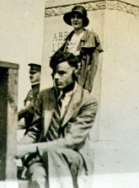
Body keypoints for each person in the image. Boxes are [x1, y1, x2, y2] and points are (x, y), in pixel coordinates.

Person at [17, 52, 98, 188]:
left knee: (53, 152)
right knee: (37, 175)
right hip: (42, 156)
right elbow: (34, 132)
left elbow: (71, 141)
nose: (56, 77)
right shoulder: (45, 96)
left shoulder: (87, 101)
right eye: (54, 73)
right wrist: (17, 147)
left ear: (76, 70)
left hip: (72, 156)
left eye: (61, 73)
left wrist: (32, 148)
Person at [52, 6, 102, 92]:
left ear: (83, 20)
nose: (75, 20)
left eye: (79, 17)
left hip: (80, 77)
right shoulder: (69, 38)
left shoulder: (90, 36)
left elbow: (94, 65)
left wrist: (88, 87)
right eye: (73, 17)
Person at [18, 63, 41, 132]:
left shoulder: (41, 90)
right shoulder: (30, 91)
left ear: (41, 74)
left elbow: (29, 109)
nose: (31, 75)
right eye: (30, 73)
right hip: (29, 128)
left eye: (34, 73)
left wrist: (14, 118)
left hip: (36, 129)